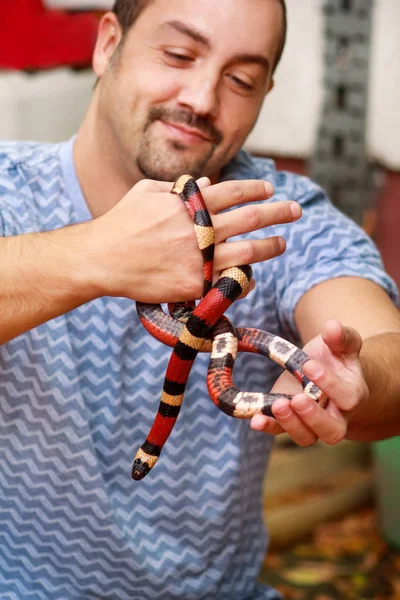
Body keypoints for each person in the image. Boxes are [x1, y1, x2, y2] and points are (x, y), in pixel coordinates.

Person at [0, 0, 399, 598]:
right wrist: (96, 256)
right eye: (179, 54)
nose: (203, 99)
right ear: (109, 44)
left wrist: (355, 376)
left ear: (265, 92)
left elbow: (386, 351)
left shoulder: (277, 216)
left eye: (241, 79)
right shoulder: (10, 191)